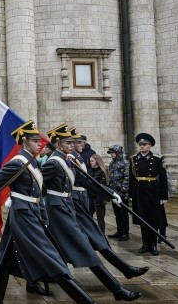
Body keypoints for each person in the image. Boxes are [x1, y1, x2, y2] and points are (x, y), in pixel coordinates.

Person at [0, 120, 96, 304]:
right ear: (24, 142)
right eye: (35, 140)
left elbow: (38, 193)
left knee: (5, 261)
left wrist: (43, 216)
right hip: (23, 216)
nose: (40, 143)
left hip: (29, 214)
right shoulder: (18, 163)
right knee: (53, 260)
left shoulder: (32, 161)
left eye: (39, 141)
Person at [42, 124, 142, 302]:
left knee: (57, 250)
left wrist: (110, 194)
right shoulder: (53, 163)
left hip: (66, 208)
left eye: (73, 143)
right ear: (58, 145)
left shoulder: (66, 160)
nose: (72, 145)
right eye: (68, 143)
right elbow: (35, 182)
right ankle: (116, 289)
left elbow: (85, 181)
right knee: (84, 248)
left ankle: (35, 280)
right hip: (57, 210)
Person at [129, 133, 169, 256]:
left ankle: (153, 245)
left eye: (144, 144)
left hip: (153, 191)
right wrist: (131, 194)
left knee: (153, 219)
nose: (142, 146)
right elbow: (131, 178)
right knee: (142, 218)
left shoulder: (157, 159)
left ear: (150, 146)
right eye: (140, 145)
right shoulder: (133, 159)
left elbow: (163, 178)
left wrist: (163, 196)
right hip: (139, 191)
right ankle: (145, 244)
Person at [107, 144, 131, 241]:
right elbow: (111, 177)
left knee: (123, 213)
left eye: (113, 153)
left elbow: (127, 178)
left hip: (122, 193)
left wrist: (123, 191)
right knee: (117, 213)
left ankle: (125, 232)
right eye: (111, 153)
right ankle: (119, 230)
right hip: (114, 192)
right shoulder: (112, 164)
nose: (112, 155)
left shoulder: (125, 163)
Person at [89, 154, 109, 233]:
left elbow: (102, 186)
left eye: (92, 161)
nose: (91, 163)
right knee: (88, 215)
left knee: (100, 218)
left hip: (98, 198)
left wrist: (99, 199)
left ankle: (102, 234)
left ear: (97, 161)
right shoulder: (91, 170)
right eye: (90, 161)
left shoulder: (101, 171)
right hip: (91, 196)